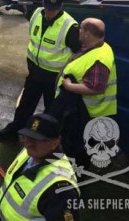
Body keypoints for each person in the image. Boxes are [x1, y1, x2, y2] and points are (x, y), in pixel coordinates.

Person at [0, 0, 80, 140]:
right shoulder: (36, 14)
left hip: (53, 77)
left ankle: (44, 138)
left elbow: (79, 52)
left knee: (51, 110)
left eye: (53, 9)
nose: (50, 12)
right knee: (25, 104)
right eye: (48, 8)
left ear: (61, 7)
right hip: (35, 72)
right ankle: (15, 129)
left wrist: (67, 72)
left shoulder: (70, 26)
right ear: (43, 4)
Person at [49, 17, 117, 164]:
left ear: (87, 34)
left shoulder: (99, 58)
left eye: (81, 28)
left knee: (76, 151)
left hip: (87, 115)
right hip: (80, 112)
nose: (78, 31)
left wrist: (68, 86)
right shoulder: (95, 46)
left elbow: (96, 87)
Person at [0, 113, 80, 220]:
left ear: (54, 143)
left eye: (36, 140)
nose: (28, 144)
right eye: (27, 137)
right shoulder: (29, 152)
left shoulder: (61, 190)